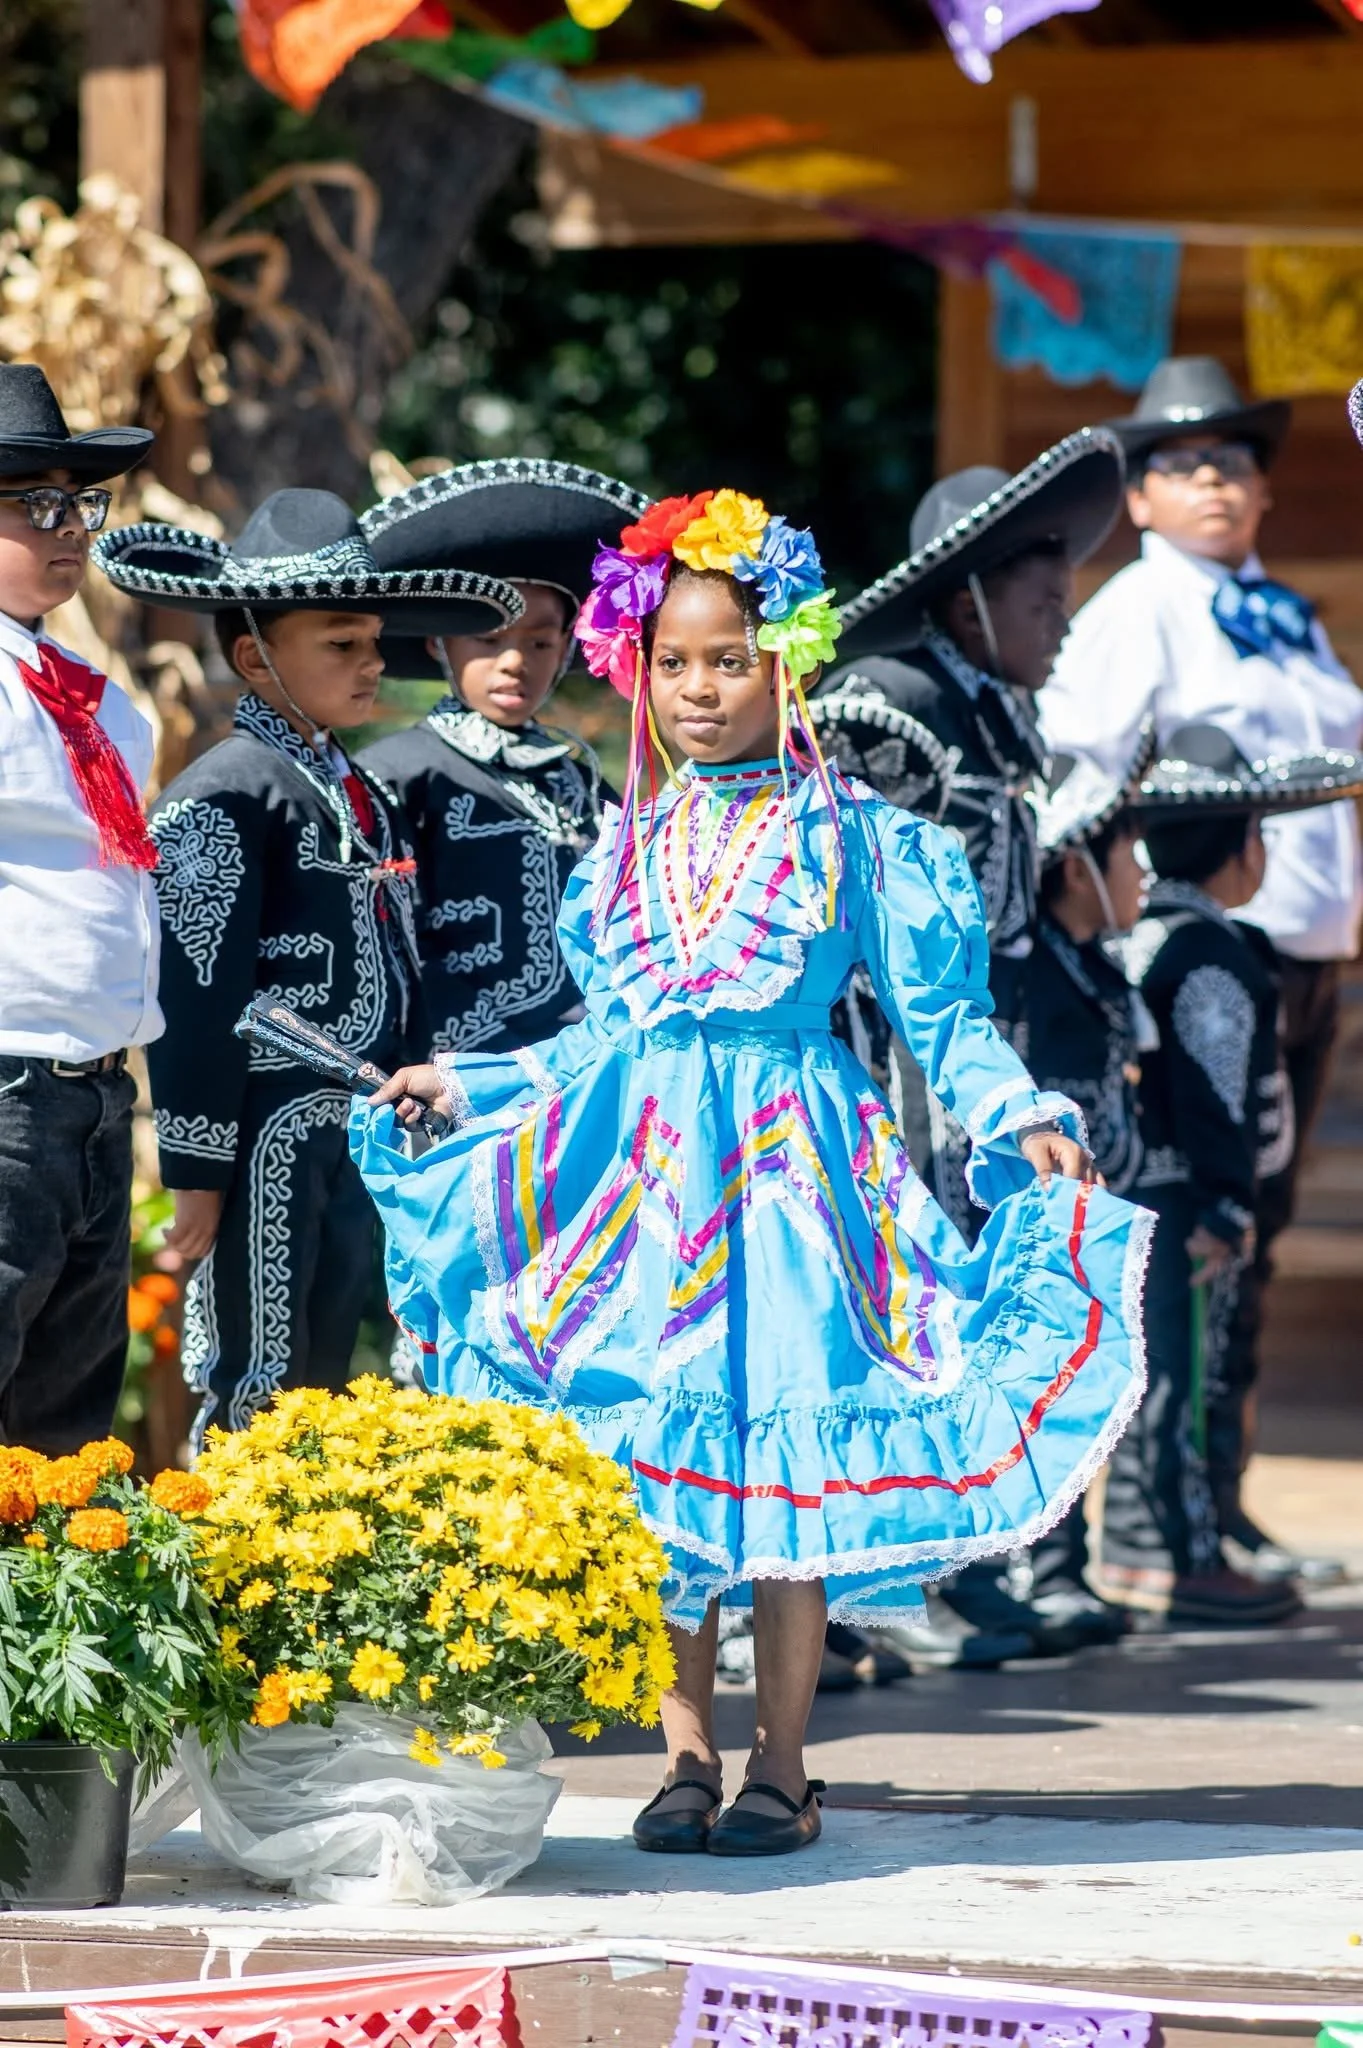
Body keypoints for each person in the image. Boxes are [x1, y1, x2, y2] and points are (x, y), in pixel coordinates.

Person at [349, 489, 1151, 1858]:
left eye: (730, 660)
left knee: (783, 1473)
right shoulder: (621, 851)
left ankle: (781, 1763)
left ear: (788, 662)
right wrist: (466, 1082)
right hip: (646, 1188)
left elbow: (941, 1023)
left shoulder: (854, 840)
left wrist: (1013, 1112)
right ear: (634, 672)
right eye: (671, 663)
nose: (700, 690)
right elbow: (596, 1041)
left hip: (794, 1185)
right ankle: (682, 1755)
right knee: (662, 1476)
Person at [93, 489, 520, 1447]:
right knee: (262, 1381)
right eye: (342, 644)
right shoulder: (226, 791)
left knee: (341, 1376)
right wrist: (197, 1172)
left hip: (361, 1132)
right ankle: (238, 1589)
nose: (374, 663)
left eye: (375, 641)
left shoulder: (354, 784)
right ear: (256, 657)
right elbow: (198, 995)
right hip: (266, 1140)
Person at [1041, 358, 1363, 1579]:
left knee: (1257, 1223)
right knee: (1205, 1222)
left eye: (1235, 461)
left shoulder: (1280, 611)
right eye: (1184, 463)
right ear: (1142, 494)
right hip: (1203, 956)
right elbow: (1085, 774)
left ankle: (1215, 1499)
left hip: (1302, 950)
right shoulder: (1137, 608)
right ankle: (1160, 1516)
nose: (1216, 482)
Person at [818, 431, 1125, 1657]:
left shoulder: (998, 719)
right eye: (1042, 599)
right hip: (889, 1063)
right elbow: (856, 915)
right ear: (967, 600)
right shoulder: (894, 710)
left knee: (962, 1312)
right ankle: (872, 1592)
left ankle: (958, 1562)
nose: (1061, 623)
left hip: (969, 1057)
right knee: (892, 1311)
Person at [1099, 724, 1363, 1623]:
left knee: (1164, 1374)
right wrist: (1224, 1203)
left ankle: (1144, 1548)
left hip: (1155, 1192)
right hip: (1189, 1206)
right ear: (1239, 848)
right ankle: (1181, 1556)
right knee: (1190, 1380)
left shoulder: (1149, 936)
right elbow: (1217, 1099)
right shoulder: (1209, 958)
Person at [0, 364, 158, 1452]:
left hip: (93, 1095)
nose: (70, 528)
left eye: (79, 503)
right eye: (36, 505)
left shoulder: (70, 679)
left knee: (63, 1432)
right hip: (8, 1083)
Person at [361, 462, 646, 1054]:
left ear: (568, 647)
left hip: (596, 1067)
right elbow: (387, 949)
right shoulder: (398, 776)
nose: (515, 662)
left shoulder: (582, 777)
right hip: (462, 1081)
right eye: (488, 640)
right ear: (439, 642)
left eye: (539, 642)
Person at [1016, 743, 1155, 1643]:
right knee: (1044, 1381)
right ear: (1072, 866)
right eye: (1121, 857)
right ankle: (1040, 1571)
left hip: (1104, 1210)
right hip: (1048, 1214)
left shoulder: (1096, 966)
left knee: (1094, 1381)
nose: (1136, 876)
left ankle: (1071, 1565)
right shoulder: (1027, 974)